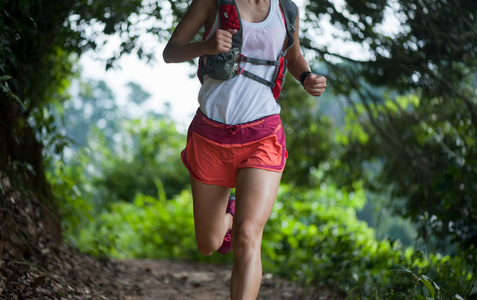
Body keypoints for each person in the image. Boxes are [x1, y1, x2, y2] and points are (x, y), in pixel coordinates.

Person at [163, 0, 326, 298]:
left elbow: (294, 56)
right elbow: (170, 52)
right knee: (209, 243)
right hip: (210, 136)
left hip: (262, 134)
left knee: (248, 235)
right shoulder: (212, 3)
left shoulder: (286, 10)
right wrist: (206, 45)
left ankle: (239, 222)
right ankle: (230, 216)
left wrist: (307, 77)